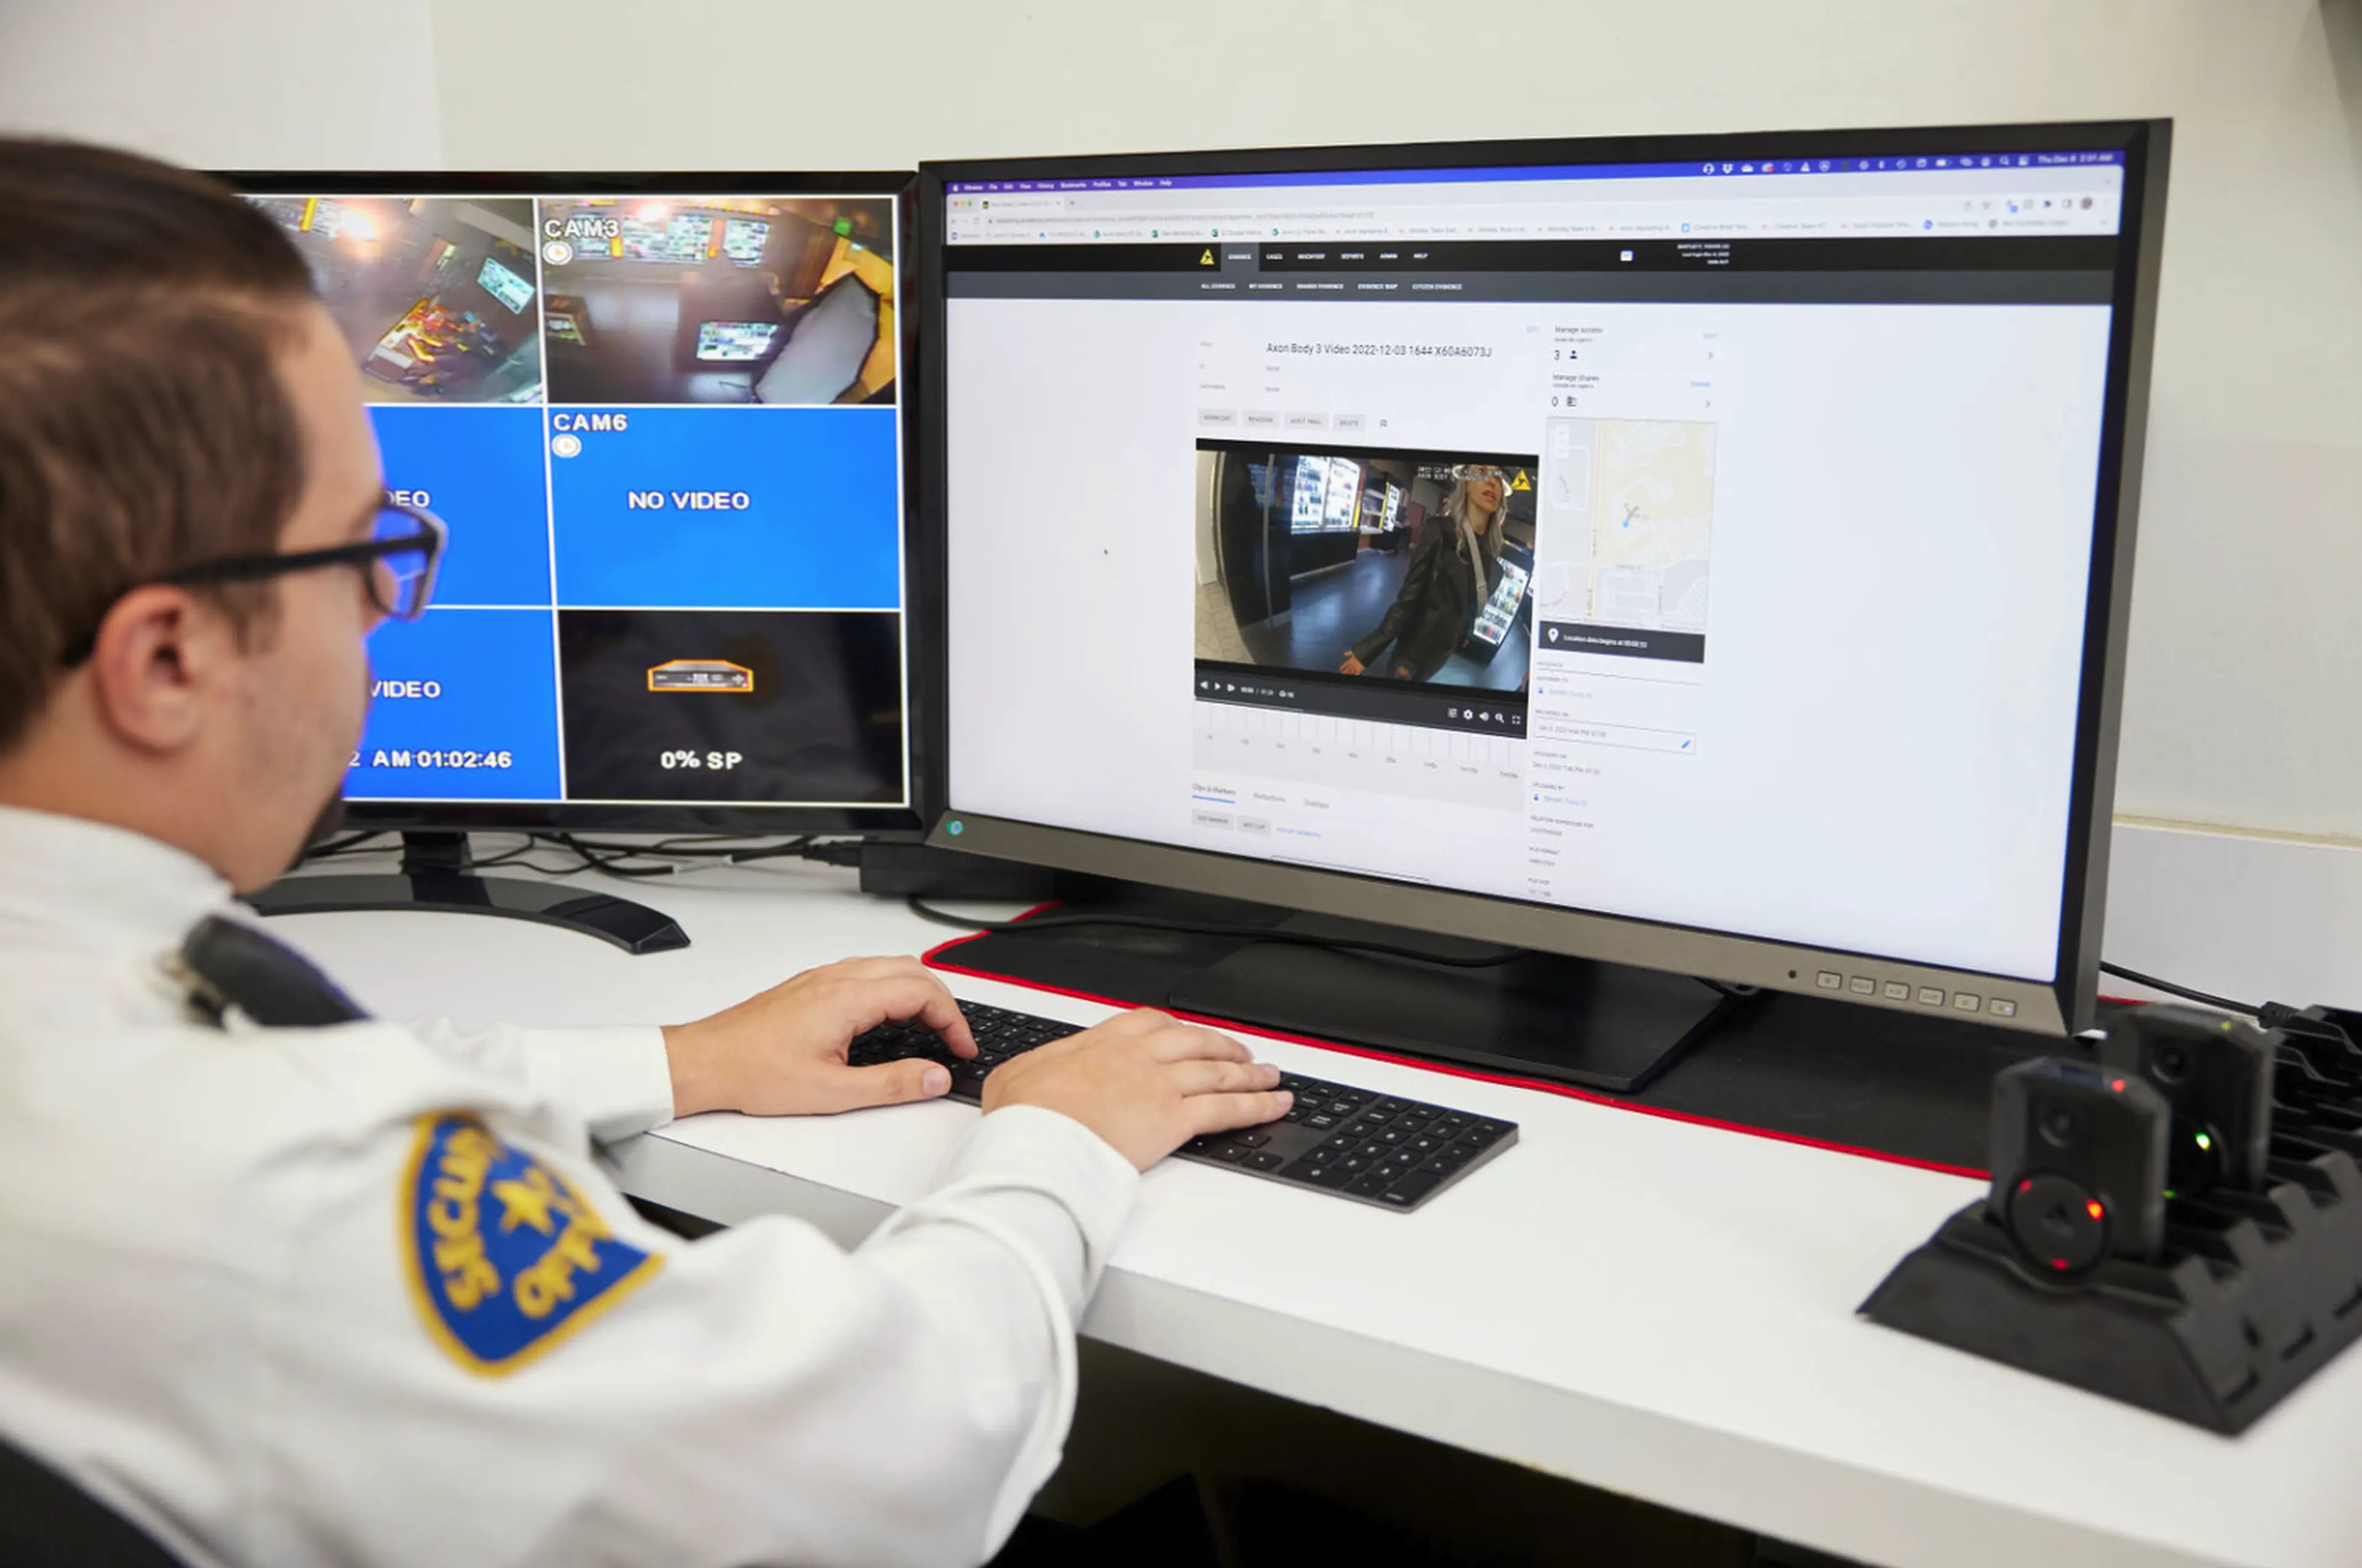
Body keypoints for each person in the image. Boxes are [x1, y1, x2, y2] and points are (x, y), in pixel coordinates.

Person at [0, 140, 1290, 1567]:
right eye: (353, 548)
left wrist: (678, 1063)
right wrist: (1063, 1140)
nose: (388, 601)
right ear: (166, 660)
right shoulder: (283, 1188)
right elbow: (881, 1460)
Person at [1337, 466, 1509, 682]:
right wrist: (1369, 650)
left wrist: (1466, 631)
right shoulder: (1439, 531)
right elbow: (1408, 600)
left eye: (1498, 477)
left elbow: (1469, 607)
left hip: (1443, 655)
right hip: (1412, 654)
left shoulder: (1492, 564)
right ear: (1466, 485)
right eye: (1482, 472)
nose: (1492, 481)